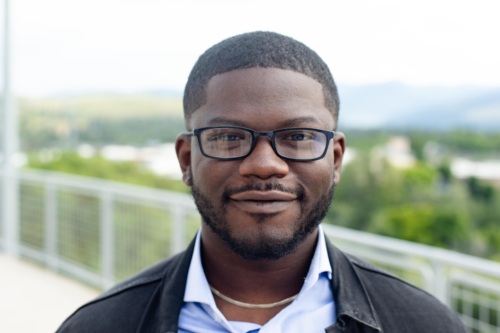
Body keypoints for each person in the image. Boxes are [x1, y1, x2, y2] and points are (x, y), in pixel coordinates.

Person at [57, 31, 468, 333]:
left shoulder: (423, 324)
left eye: (298, 137)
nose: (265, 165)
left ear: (336, 158)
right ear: (186, 159)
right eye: (229, 137)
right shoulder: (101, 325)